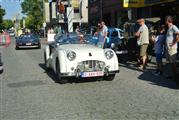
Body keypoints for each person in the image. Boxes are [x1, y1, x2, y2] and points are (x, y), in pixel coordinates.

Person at [165, 16, 179, 80]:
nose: (165, 21)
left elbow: (178, 33)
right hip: (168, 48)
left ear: (167, 21)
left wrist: (174, 42)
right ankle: (173, 75)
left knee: (173, 63)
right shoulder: (169, 28)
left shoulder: (173, 27)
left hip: (172, 48)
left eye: (165, 20)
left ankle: (175, 76)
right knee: (171, 63)